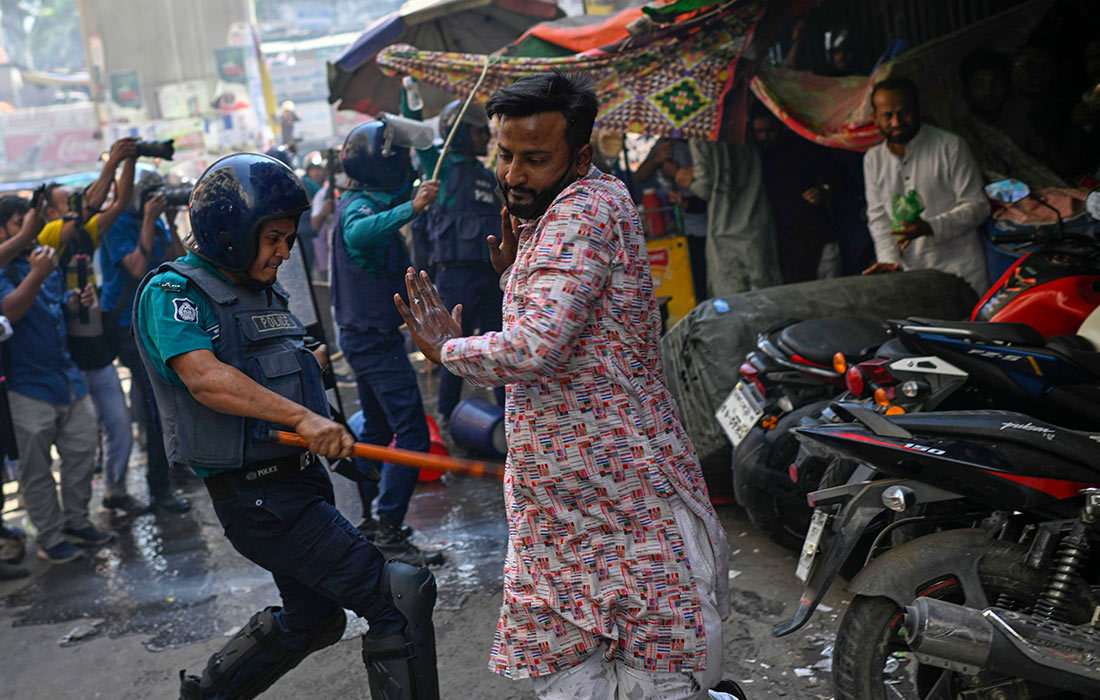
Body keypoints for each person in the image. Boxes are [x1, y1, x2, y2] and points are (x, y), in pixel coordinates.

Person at [395, 70, 732, 700]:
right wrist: (514, 278)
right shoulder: (568, 206)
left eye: (534, 159)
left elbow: (535, 347)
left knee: (652, 678)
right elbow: (573, 324)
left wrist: (448, 350)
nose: (513, 174)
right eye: (506, 154)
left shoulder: (583, 213)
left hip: (618, 497)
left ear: (579, 155)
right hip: (568, 504)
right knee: (577, 672)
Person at [133, 152, 440, 700]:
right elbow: (204, 377)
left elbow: (275, 371)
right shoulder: (173, 292)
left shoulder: (261, 291)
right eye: (273, 237)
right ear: (229, 231)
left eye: (288, 237)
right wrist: (301, 413)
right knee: (398, 597)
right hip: (258, 499)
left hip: (299, 486)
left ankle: (206, 695)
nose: (284, 250)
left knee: (315, 618)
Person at [330, 118, 444, 566]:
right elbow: (361, 231)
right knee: (413, 433)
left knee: (376, 431)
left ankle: (370, 521)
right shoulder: (355, 208)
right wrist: (411, 209)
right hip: (371, 341)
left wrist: (418, 192)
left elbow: (405, 194)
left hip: (368, 337)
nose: (404, 164)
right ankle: (391, 529)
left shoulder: (368, 197)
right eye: (398, 157)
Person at [1, 196, 115, 565]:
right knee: (36, 471)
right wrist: (36, 274)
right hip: (26, 386)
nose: (30, 229)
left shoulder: (43, 261)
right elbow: (10, 312)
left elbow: (51, 305)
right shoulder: (10, 267)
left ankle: (76, 521)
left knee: (83, 451)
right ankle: (50, 537)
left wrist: (72, 301)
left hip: (67, 379)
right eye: (21, 223)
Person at [99, 165, 190, 514]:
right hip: (125, 326)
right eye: (150, 193)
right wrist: (151, 220)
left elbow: (177, 260)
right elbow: (137, 267)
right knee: (155, 403)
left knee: (170, 396)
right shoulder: (117, 223)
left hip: (154, 322)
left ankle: (176, 463)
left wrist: (168, 218)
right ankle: (160, 487)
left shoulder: (157, 219)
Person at [416, 99, 505, 425]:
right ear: (461, 133)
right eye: (480, 130)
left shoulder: (486, 173)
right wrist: (410, 94)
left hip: (491, 275)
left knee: (497, 350)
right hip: (457, 277)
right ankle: (446, 417)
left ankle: (510, 418)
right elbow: (421, 141)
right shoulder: (442, 170)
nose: (487, 137)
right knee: (452, 348)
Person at [862, 77, 991, 294]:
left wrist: (932, 226)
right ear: (875, 117)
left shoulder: (951, 146)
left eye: (903, 112)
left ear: (918, 108)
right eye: (887, 115)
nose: (896, 122)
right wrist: (889, 260)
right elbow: (878, 218)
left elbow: (978, 206)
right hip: (912, 276)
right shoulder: (873, 160)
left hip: (963, 271)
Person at [683, 116, 781, 297]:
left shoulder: (699, 136)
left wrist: (685, 179)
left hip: (724, 230)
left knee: (733, 301)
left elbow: (706, 188)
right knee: (767, 295)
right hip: (756, 223)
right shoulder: (744, 128)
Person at [750, 106, 842, 283]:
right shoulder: (754, 158)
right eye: (759, 132)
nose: (764, 137)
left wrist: (823, 190)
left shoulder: (801, 148)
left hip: (814, 233)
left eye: (769, 131)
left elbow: (835, 177)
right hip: (781, 242)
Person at [635, 137, 709, 300]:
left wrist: (677, 174)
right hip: (687, 226)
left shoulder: (699, 142)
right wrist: (657, 159)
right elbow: (640, 176)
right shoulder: (664, 143)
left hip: (709, 223)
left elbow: (708, 189)